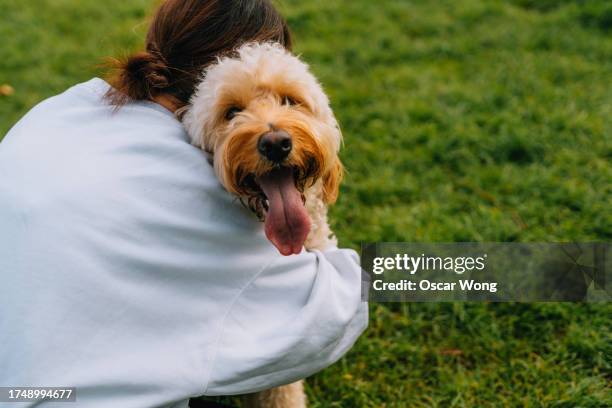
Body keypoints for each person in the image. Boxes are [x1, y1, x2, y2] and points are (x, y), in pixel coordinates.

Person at [0, 1, 367, 407]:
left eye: (288, 100)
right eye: (233, 111)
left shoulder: (64, 107)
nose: (271, 127)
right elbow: (320, 312)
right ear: (205, 88)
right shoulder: (194, 191)